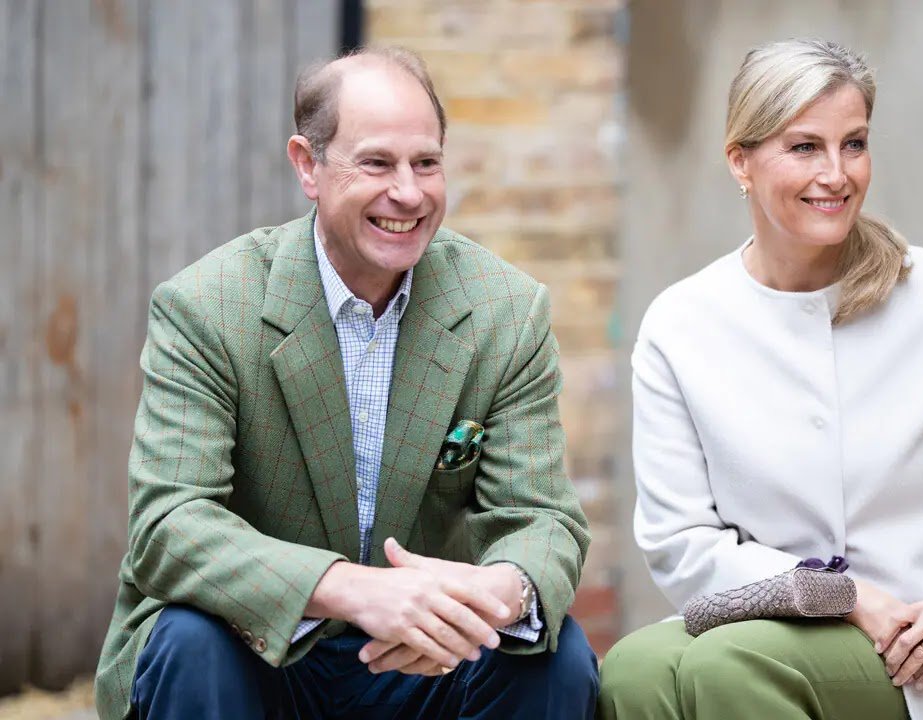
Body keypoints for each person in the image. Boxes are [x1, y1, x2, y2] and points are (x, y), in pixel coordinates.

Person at [94, 46, 597, 720]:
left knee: (553, 656)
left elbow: (542, 517)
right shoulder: (207, 307)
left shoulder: (506, 312)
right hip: (259, 651)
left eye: (426, 163)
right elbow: (169, 523)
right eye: (377, 163)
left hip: (423, 663)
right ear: (308, 165)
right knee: (190, 641)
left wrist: (501, 593)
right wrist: (349, 588)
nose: (409, 193)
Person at [598, 39, 923, 720]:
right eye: (804, 147)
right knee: (634, 670)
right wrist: (843, 597)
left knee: (726, 664)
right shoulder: (681, 324)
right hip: (776, 618)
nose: (836, 174)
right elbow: (680, 539)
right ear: (739, 160)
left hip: (922, 647)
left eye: (853, 144)